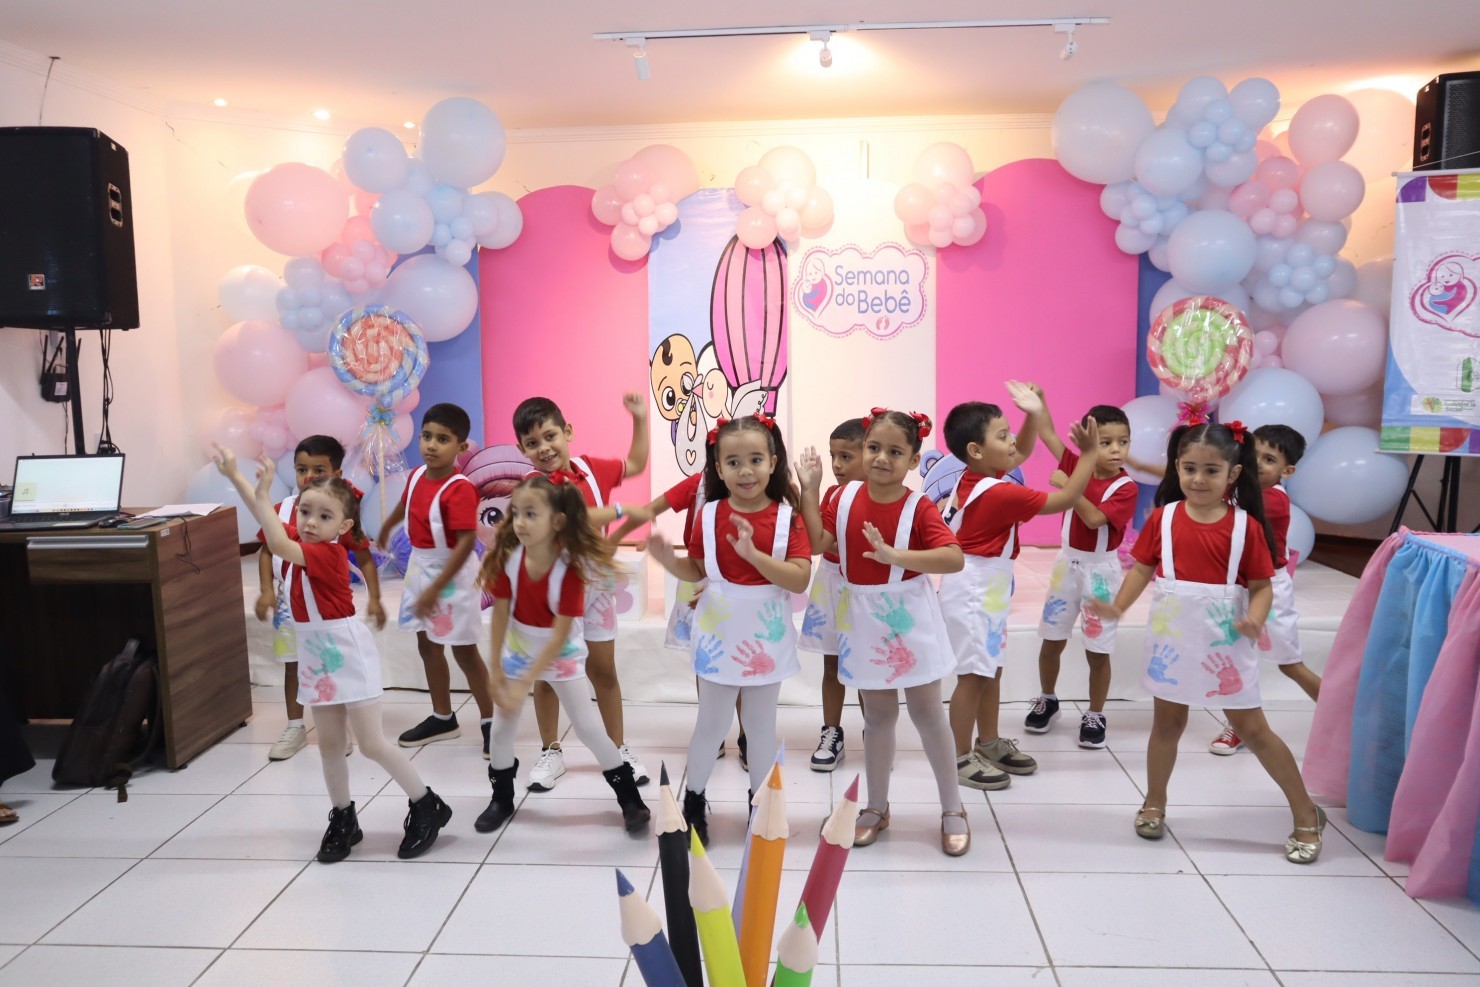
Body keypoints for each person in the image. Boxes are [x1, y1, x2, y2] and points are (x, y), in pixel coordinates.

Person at [1092, 421, 1327, 864]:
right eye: (1189, 469)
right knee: (1167, 725)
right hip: (1173, 637)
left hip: (1225, 641)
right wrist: (1118, 606)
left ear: (1233, 474)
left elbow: (1262, 586)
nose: (1198, 479)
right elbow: (1141, 568)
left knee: (1253, 729)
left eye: (1211, 471)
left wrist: (1256, 618)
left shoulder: (1246, 527)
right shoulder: (1163, 518)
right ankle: (1154, 802)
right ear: (1177, 468)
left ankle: (1306, 812)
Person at [214, 445, 451, 862]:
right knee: (328, 745)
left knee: (372, 743)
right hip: (313, 652)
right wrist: (237, 478)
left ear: (344, 526)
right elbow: (269, 526)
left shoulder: (327, 553)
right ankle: (343, 817)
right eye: (305, 512)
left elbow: (275, 541)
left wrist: (260, 490)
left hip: (345, 649)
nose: (310, 522)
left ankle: (426, 803)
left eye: (324, 517)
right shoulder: (299, 536)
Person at [647, 414, 812, 845]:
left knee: (760, 726)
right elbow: (698, 570)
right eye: (733, 462)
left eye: (755, 459)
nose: (745, 471)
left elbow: (799, 580)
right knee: (711, 722)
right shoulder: (709, 515)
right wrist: (668, 561)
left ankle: (762, 805)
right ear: (718, 469)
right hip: (719, 631)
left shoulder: (787, 518)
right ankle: (694, 802)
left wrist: (753, 555)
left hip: (766, 634)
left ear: (773, 462)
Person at [813, 409, 971, 856]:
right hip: (862, 617)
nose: (882, 458)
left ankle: (953, 807)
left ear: (914, 460)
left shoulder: (919, 507)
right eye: (874, 448)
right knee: (877, 717)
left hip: (909, 619)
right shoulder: (843, 497)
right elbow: (819, 543)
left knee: (927, 713)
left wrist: (896, 556)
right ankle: (876, 806)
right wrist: (808, 491)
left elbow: (953, 557)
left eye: (895, 452)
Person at [940, 386, 1100, 792]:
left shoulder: (981, 475)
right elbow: (1067, 497)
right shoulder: (999, 492)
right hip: (974, 589)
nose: (1012, 441)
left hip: (985, 587)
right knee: (973, 676)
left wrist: (1032, 413)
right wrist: (1088, 455)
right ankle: (958, 757)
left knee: (990, 668)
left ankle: (989, 742)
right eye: (1002, 435)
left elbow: (1022, 451)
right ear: (976, 450)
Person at [476, 474, 650, 834]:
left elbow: (557, 637)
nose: (519, 522)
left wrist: (525, 680)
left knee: (589, 729)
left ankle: (630, 799)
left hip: (561, 656)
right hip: (519, 653)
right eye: (516, 513)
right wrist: (496, 667)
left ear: (557, 522)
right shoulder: (509, 560)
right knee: (501, 730)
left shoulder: (569, 570)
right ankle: (501, 798)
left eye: (531, 514)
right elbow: (500, 615)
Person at [514, 394, 651, 791]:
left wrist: (640, 418)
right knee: (548, 675)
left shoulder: (591, 469)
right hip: (552, 588)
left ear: (567, 432)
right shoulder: (531, 487)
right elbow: (572, 521)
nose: (544, 448)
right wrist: (622, 513)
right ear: (522, 451)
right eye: (532, 443)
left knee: (603, 669)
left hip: (596, 584)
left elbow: (636, 463)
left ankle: (618, 749)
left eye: (550, 436)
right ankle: (550, 750)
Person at [255, 435, 385, 762]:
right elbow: (267, 549)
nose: (308, 476)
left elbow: (364, 556)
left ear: (336, 474)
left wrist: (375, 597)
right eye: (302, 469)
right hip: (289, 604)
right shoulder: (283, 510)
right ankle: (295, 726)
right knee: (293, 664)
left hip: (324, 611)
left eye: (318, 470)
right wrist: (267, 590)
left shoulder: (338, 512)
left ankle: (338, 727)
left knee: (331, 666)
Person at [377, 403, 495, 755]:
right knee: (427, 644)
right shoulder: (416, 476)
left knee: (465, 651)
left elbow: (464, 545)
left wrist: (436, 589)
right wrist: (386, 527)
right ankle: (443, 717)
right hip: (421, 566)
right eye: (427, 436)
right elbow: (405, 505)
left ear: (461, 447)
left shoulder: (459, 489)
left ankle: (491, 721)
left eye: (443, 439)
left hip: (452, 573)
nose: (431, 445)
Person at [612, 471, 749, 768]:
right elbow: (651, 508)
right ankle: (712, 731)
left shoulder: (751, 484)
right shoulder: (698, 483)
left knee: (741, 659)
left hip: (740, 580)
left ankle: (747, 733)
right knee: (706, 659)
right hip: (697, 574)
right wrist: (621, 537)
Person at [1023, 402, 1138, 749]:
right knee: (1051, 638)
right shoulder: (1077, 466)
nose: (1116, 450)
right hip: (1066, 566)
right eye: (1106, 442)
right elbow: (1047, 433)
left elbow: (1094, 519)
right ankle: (1048, 699)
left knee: (1097, 649)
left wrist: (1068, 489)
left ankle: (1095, 714)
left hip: (1100, 573)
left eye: (1123, 442)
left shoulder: (1125, 487)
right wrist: (1039, 404)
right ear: (1089, 444)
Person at [1209, 423, 1320, 754]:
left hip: (1268, 589)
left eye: (1268, 459)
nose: (1257, 463)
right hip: (1238, 586)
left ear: (1287, 471)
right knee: (1237, 659)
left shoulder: (1271, 499)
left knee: (1289, 664)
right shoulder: (1238, 486)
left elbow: (1223, 515)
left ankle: (1343, 717)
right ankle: (1239, 727)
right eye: (1253, 454)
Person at [796, 417, 867, 772]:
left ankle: (876, 729)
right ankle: (832, 732)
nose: (837, 465)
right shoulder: (833, 495)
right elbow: (817, 540)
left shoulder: (881, 497)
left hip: (867, 589)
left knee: (868, 667)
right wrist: (809, 490)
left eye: (846, 457)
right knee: (832, 664)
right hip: (832, 582)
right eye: (833, 456)